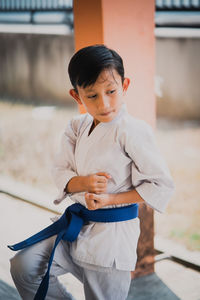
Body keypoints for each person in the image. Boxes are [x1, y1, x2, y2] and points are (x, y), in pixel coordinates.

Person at [10, 45, 174, 300]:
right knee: (25, 265)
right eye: (92, 95)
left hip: (110, 239)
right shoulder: (76, 126)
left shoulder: (132, 131)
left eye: (111, 91)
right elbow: (59, 170)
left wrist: (110, 199)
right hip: (75, 228)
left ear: (125, 85)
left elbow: (161, 185)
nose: (104, 103)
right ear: (77, 96)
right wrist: (81, 182)